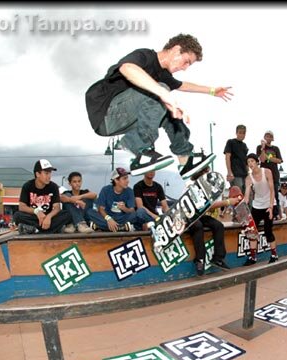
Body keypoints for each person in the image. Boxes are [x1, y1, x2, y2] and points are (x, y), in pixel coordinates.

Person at [85, 33, 231, 178]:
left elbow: (183, 86)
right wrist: (162, 93)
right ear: (176, 49)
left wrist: (212, 91)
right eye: (186, 61)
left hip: (125, 118)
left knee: (172, 111)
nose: (185, 68)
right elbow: (127, 68)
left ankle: (185, 158)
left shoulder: (164, 75)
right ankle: (139, 147)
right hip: (106, 112)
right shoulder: (145, 56)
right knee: (160, 90)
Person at [186, 167, 236, 276]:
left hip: (201, 215)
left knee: (218, 226)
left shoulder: (208, 187)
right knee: (198, 226)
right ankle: (200, 259)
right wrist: (227, 202)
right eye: (206, 173)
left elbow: (211, 207)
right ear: (200, 173)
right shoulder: (191, 186)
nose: (208, 175)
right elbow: (207, 206)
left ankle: (218, 258)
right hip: (189, 216)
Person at [13, 159, 74, 235]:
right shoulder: (27, 186)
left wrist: (48, 217)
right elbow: (22, 207)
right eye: (46, 173)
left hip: (50, 218)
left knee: (67, 214)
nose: (49, 176)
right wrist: (37, 212)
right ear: (38, 174)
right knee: (17, 216)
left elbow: (57, 207)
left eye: (50, 173)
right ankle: (52, 229)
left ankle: (34, 230)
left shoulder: (53, 187)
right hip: (34, 217)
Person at [88, 167, 153, 232]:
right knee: (90, 212)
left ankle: (103, 227)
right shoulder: (105, 190)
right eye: (124, 179)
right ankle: (121, 227)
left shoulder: (129, 191)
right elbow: (101, 209)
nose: (127, 181)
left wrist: (124, 208)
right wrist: (109, 219)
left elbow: (131, 210)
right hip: (109, 217)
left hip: (123, 218)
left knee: (141, 211)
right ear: (116, 180)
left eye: (127, 178)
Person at [241, 153, 278, 266]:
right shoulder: (248, 178)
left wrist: (271, 207)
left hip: (269, 204)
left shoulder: (266, 172)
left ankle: (274, 255)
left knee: (268, 231)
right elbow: (247, 196)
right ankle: (253, 257)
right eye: (248, 162)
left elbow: (272, 190)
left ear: (257, 162)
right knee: (252, 231)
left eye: (252, 161)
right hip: (257, 206)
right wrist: (242, 204)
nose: (250, 164)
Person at [256, 130, 283, 218]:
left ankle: (277, 214)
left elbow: (279, 160)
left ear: (272, 138)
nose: (268, 138)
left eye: (270, 136)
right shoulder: (259, 147)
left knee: (275, 194)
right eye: (267, 136)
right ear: (264, 137)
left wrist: (269, 158)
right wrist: (263, 148)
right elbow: (262, 159)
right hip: (263, 175)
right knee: (263, 195)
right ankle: (263, 215)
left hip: (274, 175)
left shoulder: (276, 148)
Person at [224, 124, 249, 194]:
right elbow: (227, 157)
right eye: (240, 132)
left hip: (245, 174)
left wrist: (248, 172)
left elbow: (245, 160)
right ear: (236, 133)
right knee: (238, 194)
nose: (242, 135)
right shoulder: (230, 142)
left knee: (247, 194)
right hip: (235, 174)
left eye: (244, 133)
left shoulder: (244, 146)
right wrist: (229, 172)